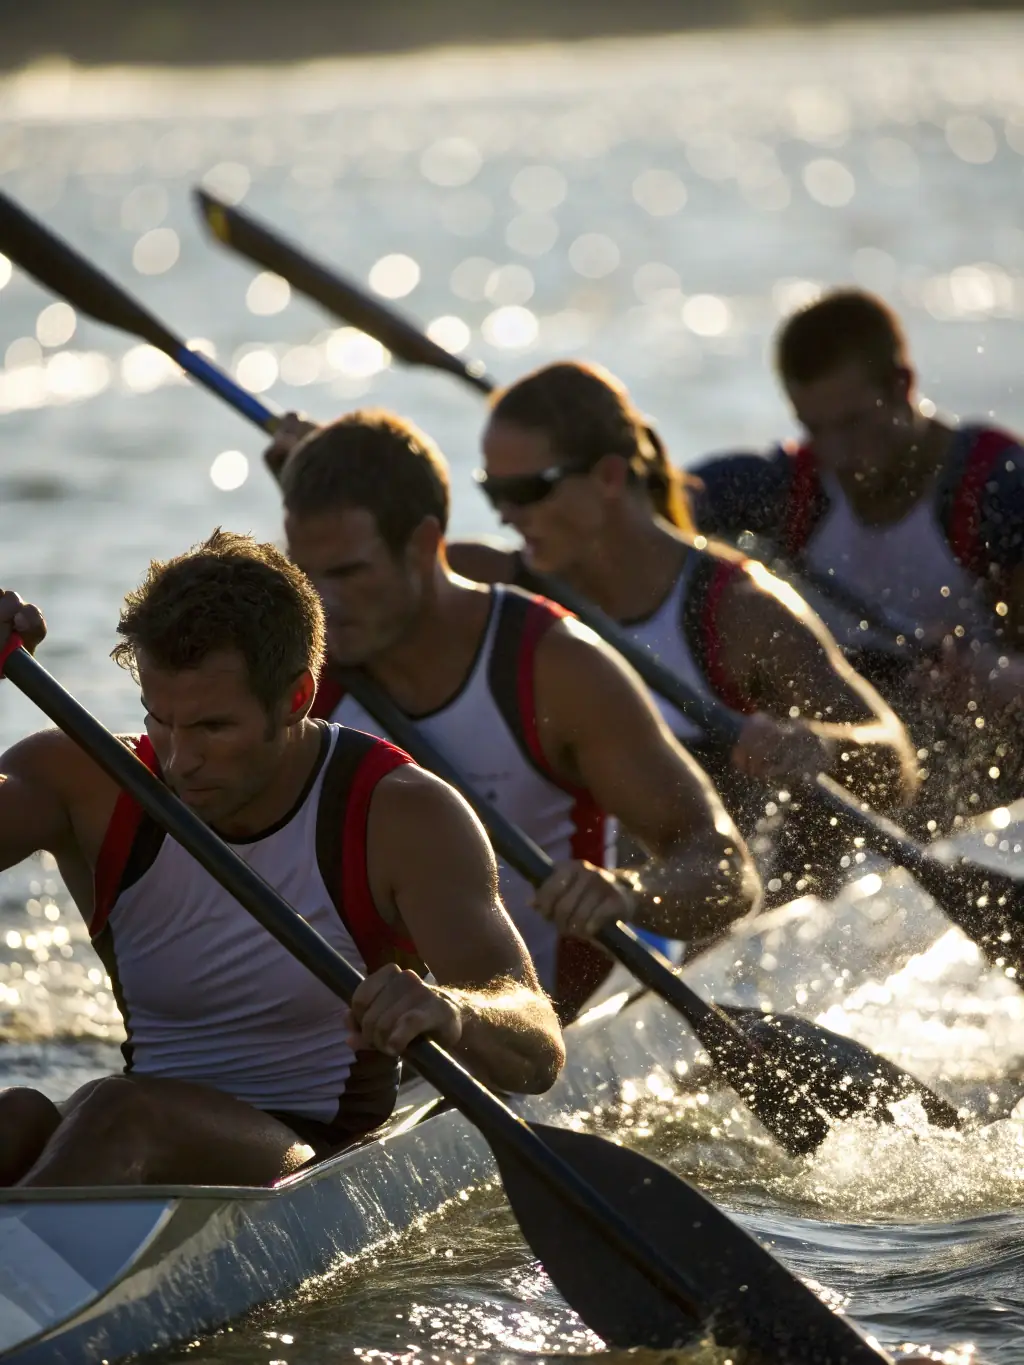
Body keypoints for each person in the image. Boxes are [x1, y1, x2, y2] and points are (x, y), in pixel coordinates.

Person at [0, 531, 564, 1188]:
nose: (180, 760)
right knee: (14, 1117)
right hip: (128, 1130)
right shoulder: (83, 778)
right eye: (160, 719)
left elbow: (538, 1048)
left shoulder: (400, 812)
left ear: (296, 698)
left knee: (122, 1112)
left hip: (312, 1150)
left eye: (214, 727)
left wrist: (454, 1008)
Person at [266, 410, 761, 1022]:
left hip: (555, 1024)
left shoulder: (556, 668)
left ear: (423, 545)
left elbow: (727, 871)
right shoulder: (298, 671)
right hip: (376, 1030)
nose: (321, 602)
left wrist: (631, 894)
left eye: (347, 572)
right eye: (304, 572)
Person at [442, 360, 917, 907]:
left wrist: (819, 747)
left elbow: (894, 759)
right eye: (491, 490)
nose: (504, 515)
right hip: (557, 925)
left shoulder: (738, 614)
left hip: (706, 938)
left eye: (527, 490)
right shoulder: (488, 586)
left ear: (609, 477)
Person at [690, 289, 1024, 829]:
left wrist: (995, 677)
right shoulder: (788, 491)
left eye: (851, 424)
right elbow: (657, 505)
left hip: (985, 761)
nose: (837, 454)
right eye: (814, 429)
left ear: (901, 386)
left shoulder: (997, 492)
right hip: (853, 751)